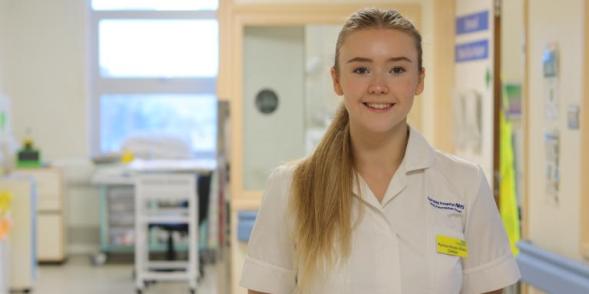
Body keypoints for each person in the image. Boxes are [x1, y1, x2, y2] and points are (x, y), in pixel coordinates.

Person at [240, 8, 521, 294]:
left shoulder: (465, 184)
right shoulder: (290, 187)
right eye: (361, 69)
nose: (378, 86)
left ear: (419, 80)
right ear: (337, 80)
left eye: (397, 69)